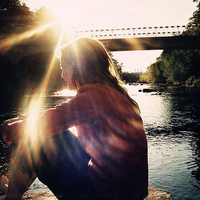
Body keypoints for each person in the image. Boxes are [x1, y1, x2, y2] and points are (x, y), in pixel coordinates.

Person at [0, 38, 148, 200]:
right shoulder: (112, 94)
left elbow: (45, 125)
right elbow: (62, 123)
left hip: (106, 195)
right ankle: (13, 189)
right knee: (45, 132)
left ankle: (12, 195)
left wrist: (10, 129)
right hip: (127, 191)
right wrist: (32, 119)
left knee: (35, 138)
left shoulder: (94, 97)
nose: (62, 75)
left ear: (76, 65)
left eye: (64, 67)